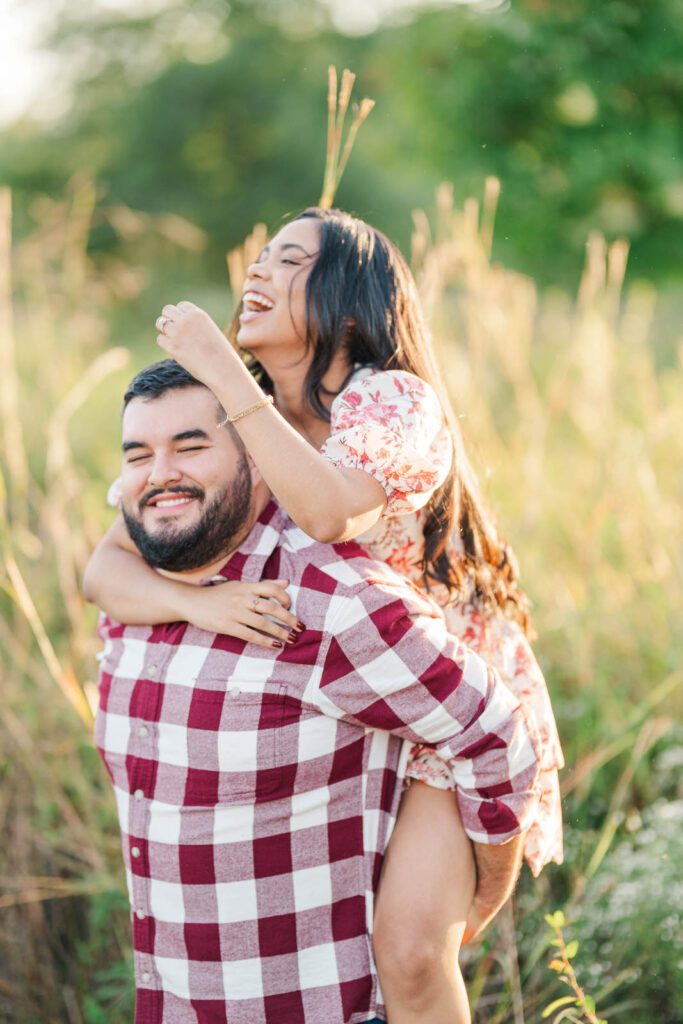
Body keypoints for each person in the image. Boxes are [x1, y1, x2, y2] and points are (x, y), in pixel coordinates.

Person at [84, 207, 563, 1023]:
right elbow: (108, 566)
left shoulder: (388, 402)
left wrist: (225, 374)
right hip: (332, 683)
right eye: (257, 258)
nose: (257, 274)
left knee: (410, 951)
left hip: (430, 683)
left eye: (290, 261)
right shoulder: (242, 407)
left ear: (348, 304)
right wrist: (203, 603)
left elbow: (327, 513)